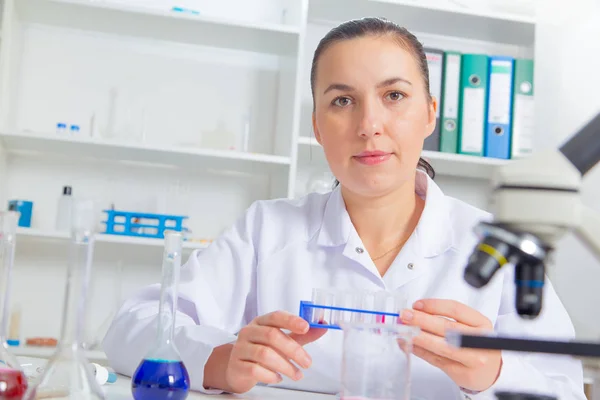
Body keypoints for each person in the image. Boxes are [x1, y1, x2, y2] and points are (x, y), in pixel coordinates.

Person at [102, 17, 586, 399]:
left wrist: (493, 372)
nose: (369, 124)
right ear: (317, 125)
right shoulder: (266, 229)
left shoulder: (498, 241)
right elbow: (132, 328)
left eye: (394, 95)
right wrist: (222, 360)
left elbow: (564, 387)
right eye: (341, 101)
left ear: (430, 114)